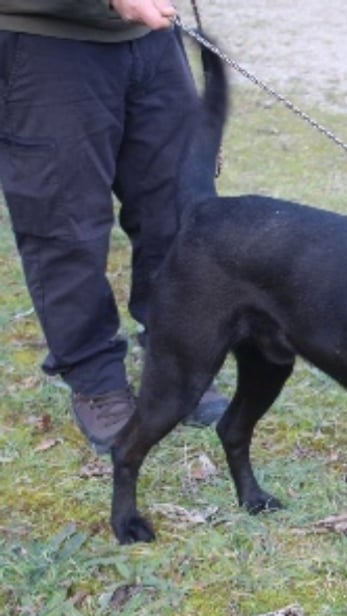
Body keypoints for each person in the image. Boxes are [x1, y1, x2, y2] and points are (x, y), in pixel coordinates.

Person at [0, 0, 227, 453]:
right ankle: (96, 380)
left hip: (152, 41)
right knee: (67, 228)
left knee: (181, 211)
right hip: (45, 41)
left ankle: (175, 362)